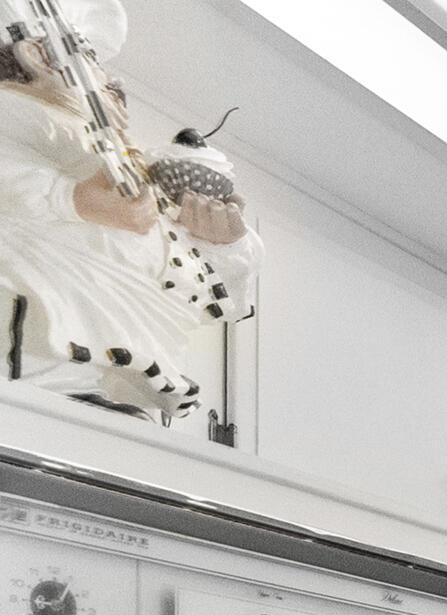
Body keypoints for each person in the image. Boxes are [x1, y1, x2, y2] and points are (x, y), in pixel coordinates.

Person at [0, 0, 258, 421]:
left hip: (103, 371)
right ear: (41, 56)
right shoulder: (17, 116)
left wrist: (228, 245)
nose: (113, 82)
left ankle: (85, 392)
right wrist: (72, 199)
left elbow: (203, 280)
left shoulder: (112, 156)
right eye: (94, 63)